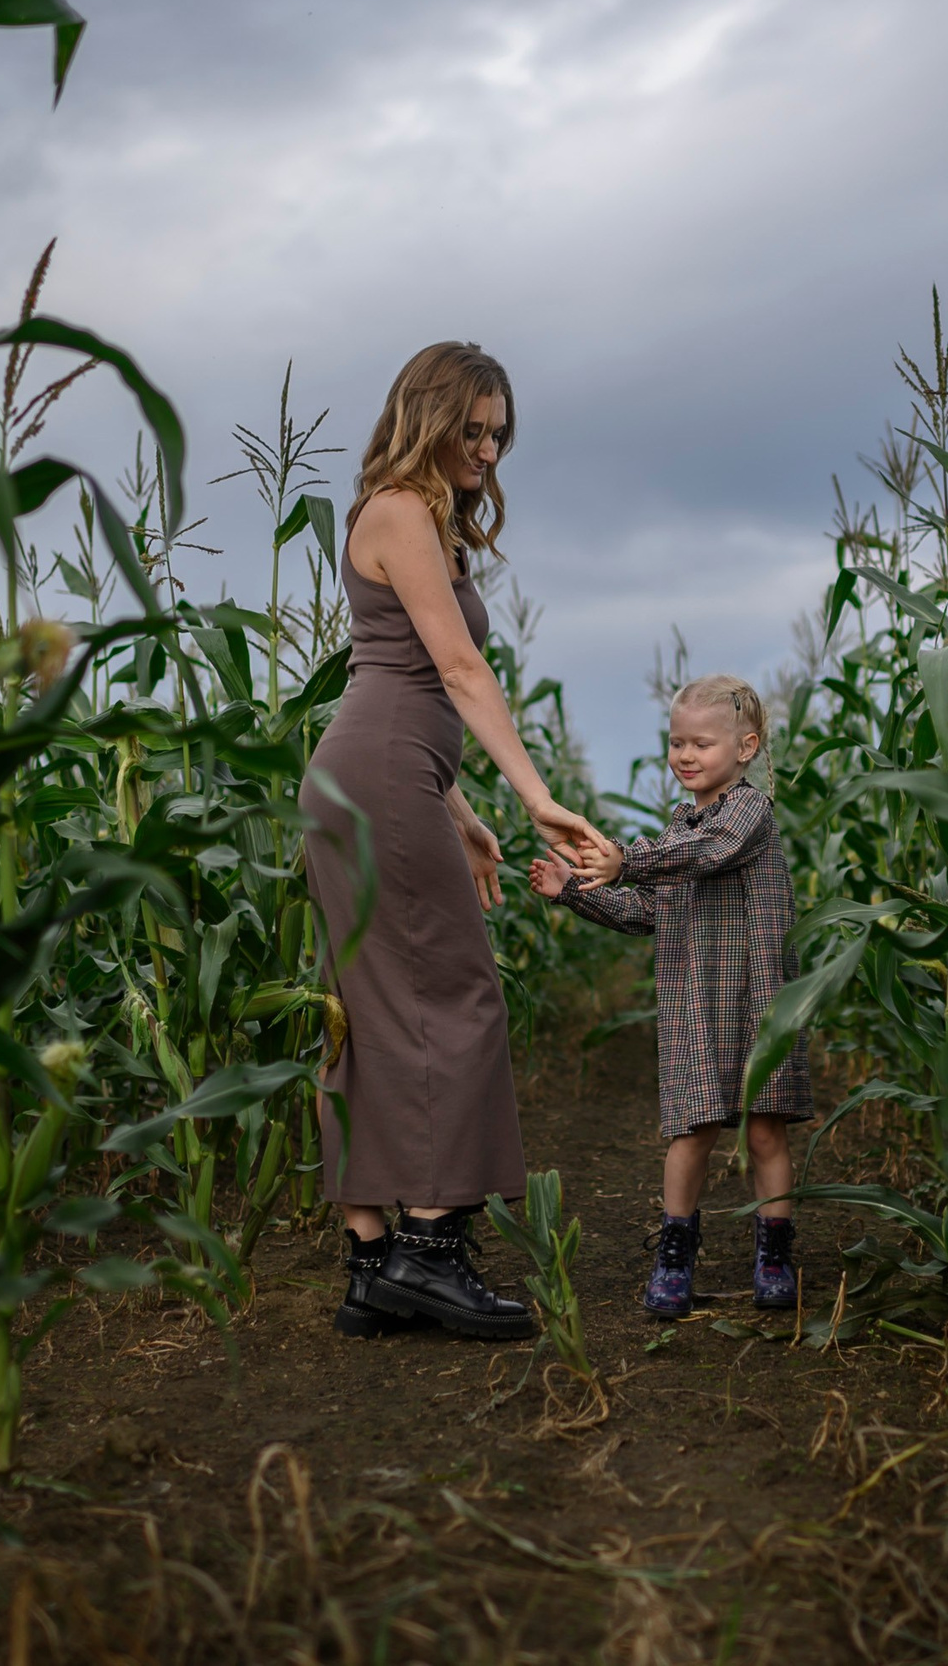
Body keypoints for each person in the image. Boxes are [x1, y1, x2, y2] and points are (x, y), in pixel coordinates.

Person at [300, 342, 608, 1341]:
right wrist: (533, 798)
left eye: (498, 433)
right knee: (452, 997)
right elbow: (457, 671)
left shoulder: (417, 520)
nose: (486, 448)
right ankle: (428, 1253)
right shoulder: (397, 509)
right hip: (381, 775)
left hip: (385, 778)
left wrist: (462, 814)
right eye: (470, 429)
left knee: (373, 1007)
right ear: (426, 418)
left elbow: (405, 687)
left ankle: (370, 1263)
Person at [527, 675, 812, 1318]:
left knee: (765, 1131)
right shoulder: (676, 829)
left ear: (745, 748)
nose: (685, 756)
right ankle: (676, 1254)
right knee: (693, 1131)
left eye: (701, 744)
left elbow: (710, 852)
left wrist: (625, 858)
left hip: (758, 997)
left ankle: (774, 1255)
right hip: (695, 1003)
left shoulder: (747, 812)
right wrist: (574, 888)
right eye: (675, 742)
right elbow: (644, 910)